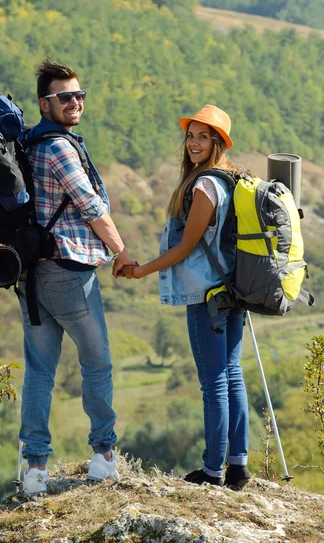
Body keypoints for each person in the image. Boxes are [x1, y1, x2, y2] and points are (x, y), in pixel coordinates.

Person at [17, 58, 136, 494]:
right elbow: (91, 207)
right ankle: (104, 456)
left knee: (39, 371)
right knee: (97, 364)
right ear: (44, 104)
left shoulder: (26, 144)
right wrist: (121, 252)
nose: (74, 103)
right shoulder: (59, 148)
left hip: (30, 275)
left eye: (79, 95)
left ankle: (34, 470)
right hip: (69, 273)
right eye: (64, 97)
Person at [120, 105, 250, 489]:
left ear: (218, 142)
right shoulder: (233, 179)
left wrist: (141, 270)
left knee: (215, 383)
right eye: (190, 135)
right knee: (232, 376)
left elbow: (185, 248)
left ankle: (212, 471)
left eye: (202, 136)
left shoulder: (205, 186)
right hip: (234, 291)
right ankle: (237, 466)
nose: (193, 143)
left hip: (207, 295)